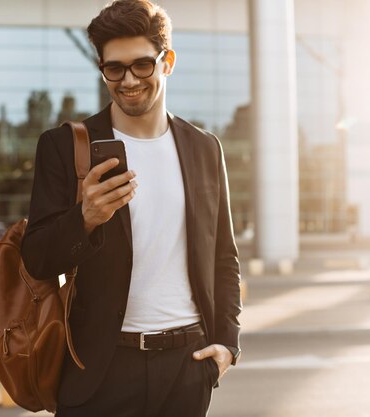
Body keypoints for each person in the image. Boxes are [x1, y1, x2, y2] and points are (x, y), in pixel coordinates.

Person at [21, 1, 242, 416]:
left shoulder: (204, 148)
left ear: (167, 61)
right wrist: (84, 219)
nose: (128, 81)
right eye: (114, 68)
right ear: (102, 67)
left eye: (142, 65)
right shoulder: (64, 147)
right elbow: (36, 260)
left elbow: (223, 257)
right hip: (100, 372)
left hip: (187, 367)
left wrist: (227, 344)